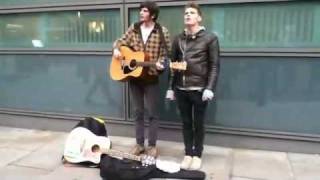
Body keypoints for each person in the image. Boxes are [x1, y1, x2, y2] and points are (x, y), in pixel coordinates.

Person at [166, 2, 220, 170]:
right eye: (186, 13)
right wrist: (170, 87)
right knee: (186, 123)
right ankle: (188, 153)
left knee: (199, 123)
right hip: (181, 90)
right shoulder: (178, 39)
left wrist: (210, 87)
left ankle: (198, 154)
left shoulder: (210, 38)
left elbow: (214, 65)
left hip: (199, 89)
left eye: (191, 13)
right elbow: (173, 64)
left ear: (199, 17)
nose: (187, 15)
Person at [113, 1, 171, 157]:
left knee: (152, 113)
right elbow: (121, 41)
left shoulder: (162, 31)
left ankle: (151, 146)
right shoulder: (134, 27)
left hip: (151, 77)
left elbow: (165, 55)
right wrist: (117, 50)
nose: (141, 13)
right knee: (138, 112)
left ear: (152, 14)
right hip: (134, 77)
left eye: (144, 11)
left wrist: (161, 65)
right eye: (141, 10)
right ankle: (139, 144)